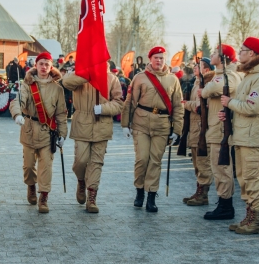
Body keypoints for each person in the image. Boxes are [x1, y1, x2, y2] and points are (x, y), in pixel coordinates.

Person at [220, 37, 259, 234]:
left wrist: (230, 103)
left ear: (251, 53)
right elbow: (242, 104)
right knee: (244, 178)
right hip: (244, 134)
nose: (239, 53)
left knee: (252, 178)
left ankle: (256, 220)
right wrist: (229, 110)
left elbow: (253, 107)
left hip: (252, 136)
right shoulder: (251, 76)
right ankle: (249, 216)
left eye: (242, 50)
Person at [122, 46, 184, 213]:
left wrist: (177, 130)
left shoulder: (173, 80)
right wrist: (125, 124)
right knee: (142, 159)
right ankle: (139, 191)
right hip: (141, 122)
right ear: (150, 59)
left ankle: (151, 195)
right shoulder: (140, 78)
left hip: (162, 124)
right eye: (156, 57)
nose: (159, 60)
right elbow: (130, 102)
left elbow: (178, 106)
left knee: (155, 160)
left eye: (162, 58)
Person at [9, 52, 68, 213]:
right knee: (28, 166)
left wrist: (63, 134)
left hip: (47, 133)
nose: (44, 67)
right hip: (28, 130)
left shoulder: (57, 89)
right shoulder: (28, 84)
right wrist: (18, 115)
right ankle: (31, 186)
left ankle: (43, 197)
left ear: (51, 67)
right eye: (41, 63)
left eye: (47, 64)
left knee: (46, 167)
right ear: (36, 65)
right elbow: (18, 101)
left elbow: (61, 113)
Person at [61, 65, 123, 213]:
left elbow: (119, 103)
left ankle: (92, 196)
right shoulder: (80, 75)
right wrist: (86, 74)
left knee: (96, 162)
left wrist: (103, 108)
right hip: (82, 124)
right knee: (80, 161)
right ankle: (81, 181)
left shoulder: (112, 79)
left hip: (102, 125)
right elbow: (66, 82)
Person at [201, 44, 242, 220]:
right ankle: (223, 202)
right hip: (216, 128)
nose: (211, 55)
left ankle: (226, 205)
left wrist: (204, 91)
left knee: (222, 168)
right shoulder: (220, 75)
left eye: (215, 53)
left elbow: (211, 90)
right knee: (218, 168)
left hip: (220, 129)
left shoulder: (228, 75)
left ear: (224, 57)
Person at [182, 59, 213, 207]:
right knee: (196, 161)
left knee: (203, 162)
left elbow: (203, 106)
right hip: (194, 128)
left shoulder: (208, 84)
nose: (195, 68)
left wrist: (187, 104)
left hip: (203, 128)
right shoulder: (196, 83)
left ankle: (203, 193)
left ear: (206, 70)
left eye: (199, 66)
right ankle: (198, 190)